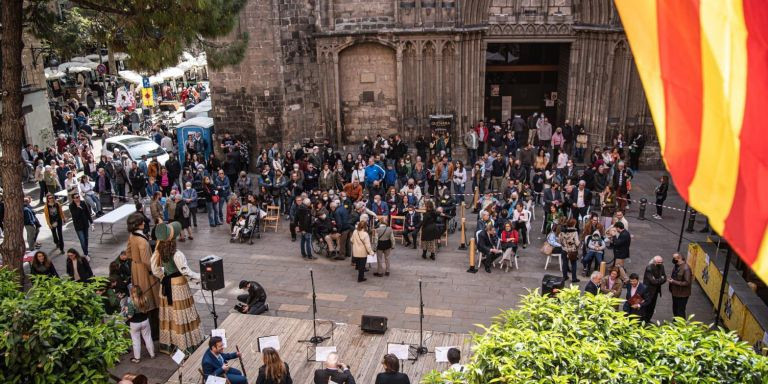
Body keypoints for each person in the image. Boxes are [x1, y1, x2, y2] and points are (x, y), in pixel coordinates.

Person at [151, 222, 203, 354]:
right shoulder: (177, 253)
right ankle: (186, 344)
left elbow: (155, 270)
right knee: (182, 313)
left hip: (166, 284)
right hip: (178, 286)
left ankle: (171, 343)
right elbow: (186, 272)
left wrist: (164, 276)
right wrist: (200, 277)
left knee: (170, 314)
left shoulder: (158, 251)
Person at [125, 212, 162, 340]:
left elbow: (128, 253)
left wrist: (135, 263)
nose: (144, 223)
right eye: (142, 222)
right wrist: (154, 272)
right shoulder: (142, 241)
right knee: (150, 300)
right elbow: (147, 261)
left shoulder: (132, 236)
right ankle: (154, 333)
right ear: (139, 224)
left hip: (135, 268)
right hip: (144, 272)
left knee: (140, 297)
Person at [122, 285, 156, 363]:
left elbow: (130, 316)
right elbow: (147, 309)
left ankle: (137, 358)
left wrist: (126, 311)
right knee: (148, 338)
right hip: (145, 321)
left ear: (133, 293)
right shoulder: (145, 299)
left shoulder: (131, 303)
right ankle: (152, 354)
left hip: (134, 324)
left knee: (136, 340)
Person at [643, 255, 667, 323]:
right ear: (654, 262)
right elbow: (652, 281)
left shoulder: (662, 266)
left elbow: (665, 277)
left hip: (656, 290)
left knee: (652, 306)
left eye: (661, 262)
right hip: (648, 291)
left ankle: (648, 319)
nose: (661, 263)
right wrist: (661, 279)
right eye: (659, 262)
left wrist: (658, 280)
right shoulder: (649, 268)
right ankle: (644, 320)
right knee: (647, 305)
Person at [69, 194, 93, 259]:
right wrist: (78, 207)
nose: (78, 198)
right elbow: (75, 215)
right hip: (78, 226)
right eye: (76, 197)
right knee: (82, 240)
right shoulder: (71, 206)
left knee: (86, 238)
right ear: (73, 199)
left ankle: (86, 252)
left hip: (85, 224)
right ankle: (85, 253)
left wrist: (91, 222)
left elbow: (87, 212)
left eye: (78, 196)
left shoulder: (83, 202)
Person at [669, 252, 692, 318]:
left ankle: (680, 325)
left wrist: (673, 281)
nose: (673, 259)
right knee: (675, 309)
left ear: (679, 258)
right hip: (675, 292)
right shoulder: (677, 265)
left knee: (680, 311)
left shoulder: (686, 269)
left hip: (682, 294)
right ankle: (676, 321)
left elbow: (687, 282)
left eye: (674, 258)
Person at [558, 218, 581, 282]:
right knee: (573, 264)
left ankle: (564, 276)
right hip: (572, 250)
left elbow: (559, 240)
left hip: (564, 249)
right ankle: (574, 278)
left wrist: (564, 245)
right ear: (573, 224)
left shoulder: (562, 231)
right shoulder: (575, 232)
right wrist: (578, 244)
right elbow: (577, 242)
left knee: (565, 263)